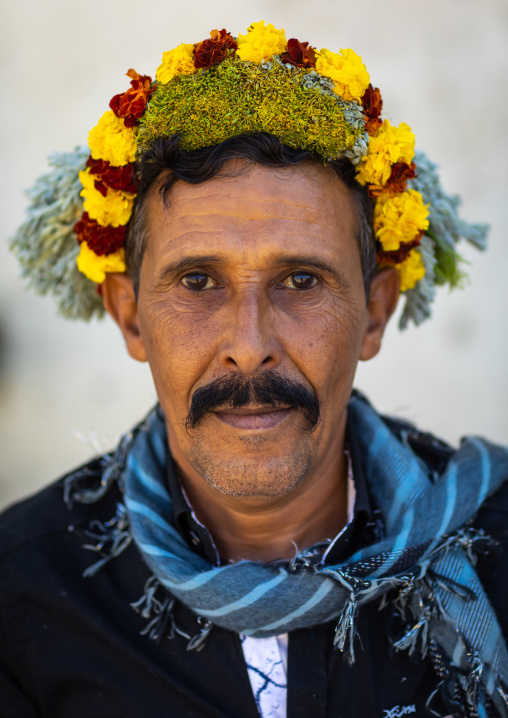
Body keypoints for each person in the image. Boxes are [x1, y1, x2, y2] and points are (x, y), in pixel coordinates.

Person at [2, 22, 508, 718]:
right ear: (129, 316)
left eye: (300, 280)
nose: (249, 344)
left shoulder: (498, 545)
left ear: (374, 314)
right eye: (198, 282)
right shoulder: (21, 591)